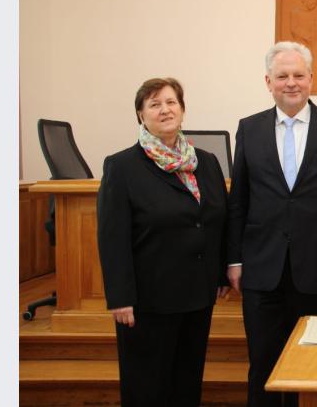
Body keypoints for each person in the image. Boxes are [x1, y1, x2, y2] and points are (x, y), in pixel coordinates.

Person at [227, 41, 317, 407]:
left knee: (309, 358)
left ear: (311, 80)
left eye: (298, 75)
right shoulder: (249, 128)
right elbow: (238, 200)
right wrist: (234, 260)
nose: (291, 83)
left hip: (315, 262)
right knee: (263, 361)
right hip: (260, 265)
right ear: (268, 82)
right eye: (282, 76)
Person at [97, 77, 230, 406]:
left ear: (183, 110)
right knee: (147, 386)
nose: (165, 109)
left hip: (197, 296)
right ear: (141, 115)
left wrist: (218, 276)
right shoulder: (122, 166)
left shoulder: (206, 162)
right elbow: (112, 238)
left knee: (186, 381)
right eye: (154, 104)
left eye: (171, 102)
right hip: (147, 300)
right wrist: (120, 296)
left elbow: (216, 223)